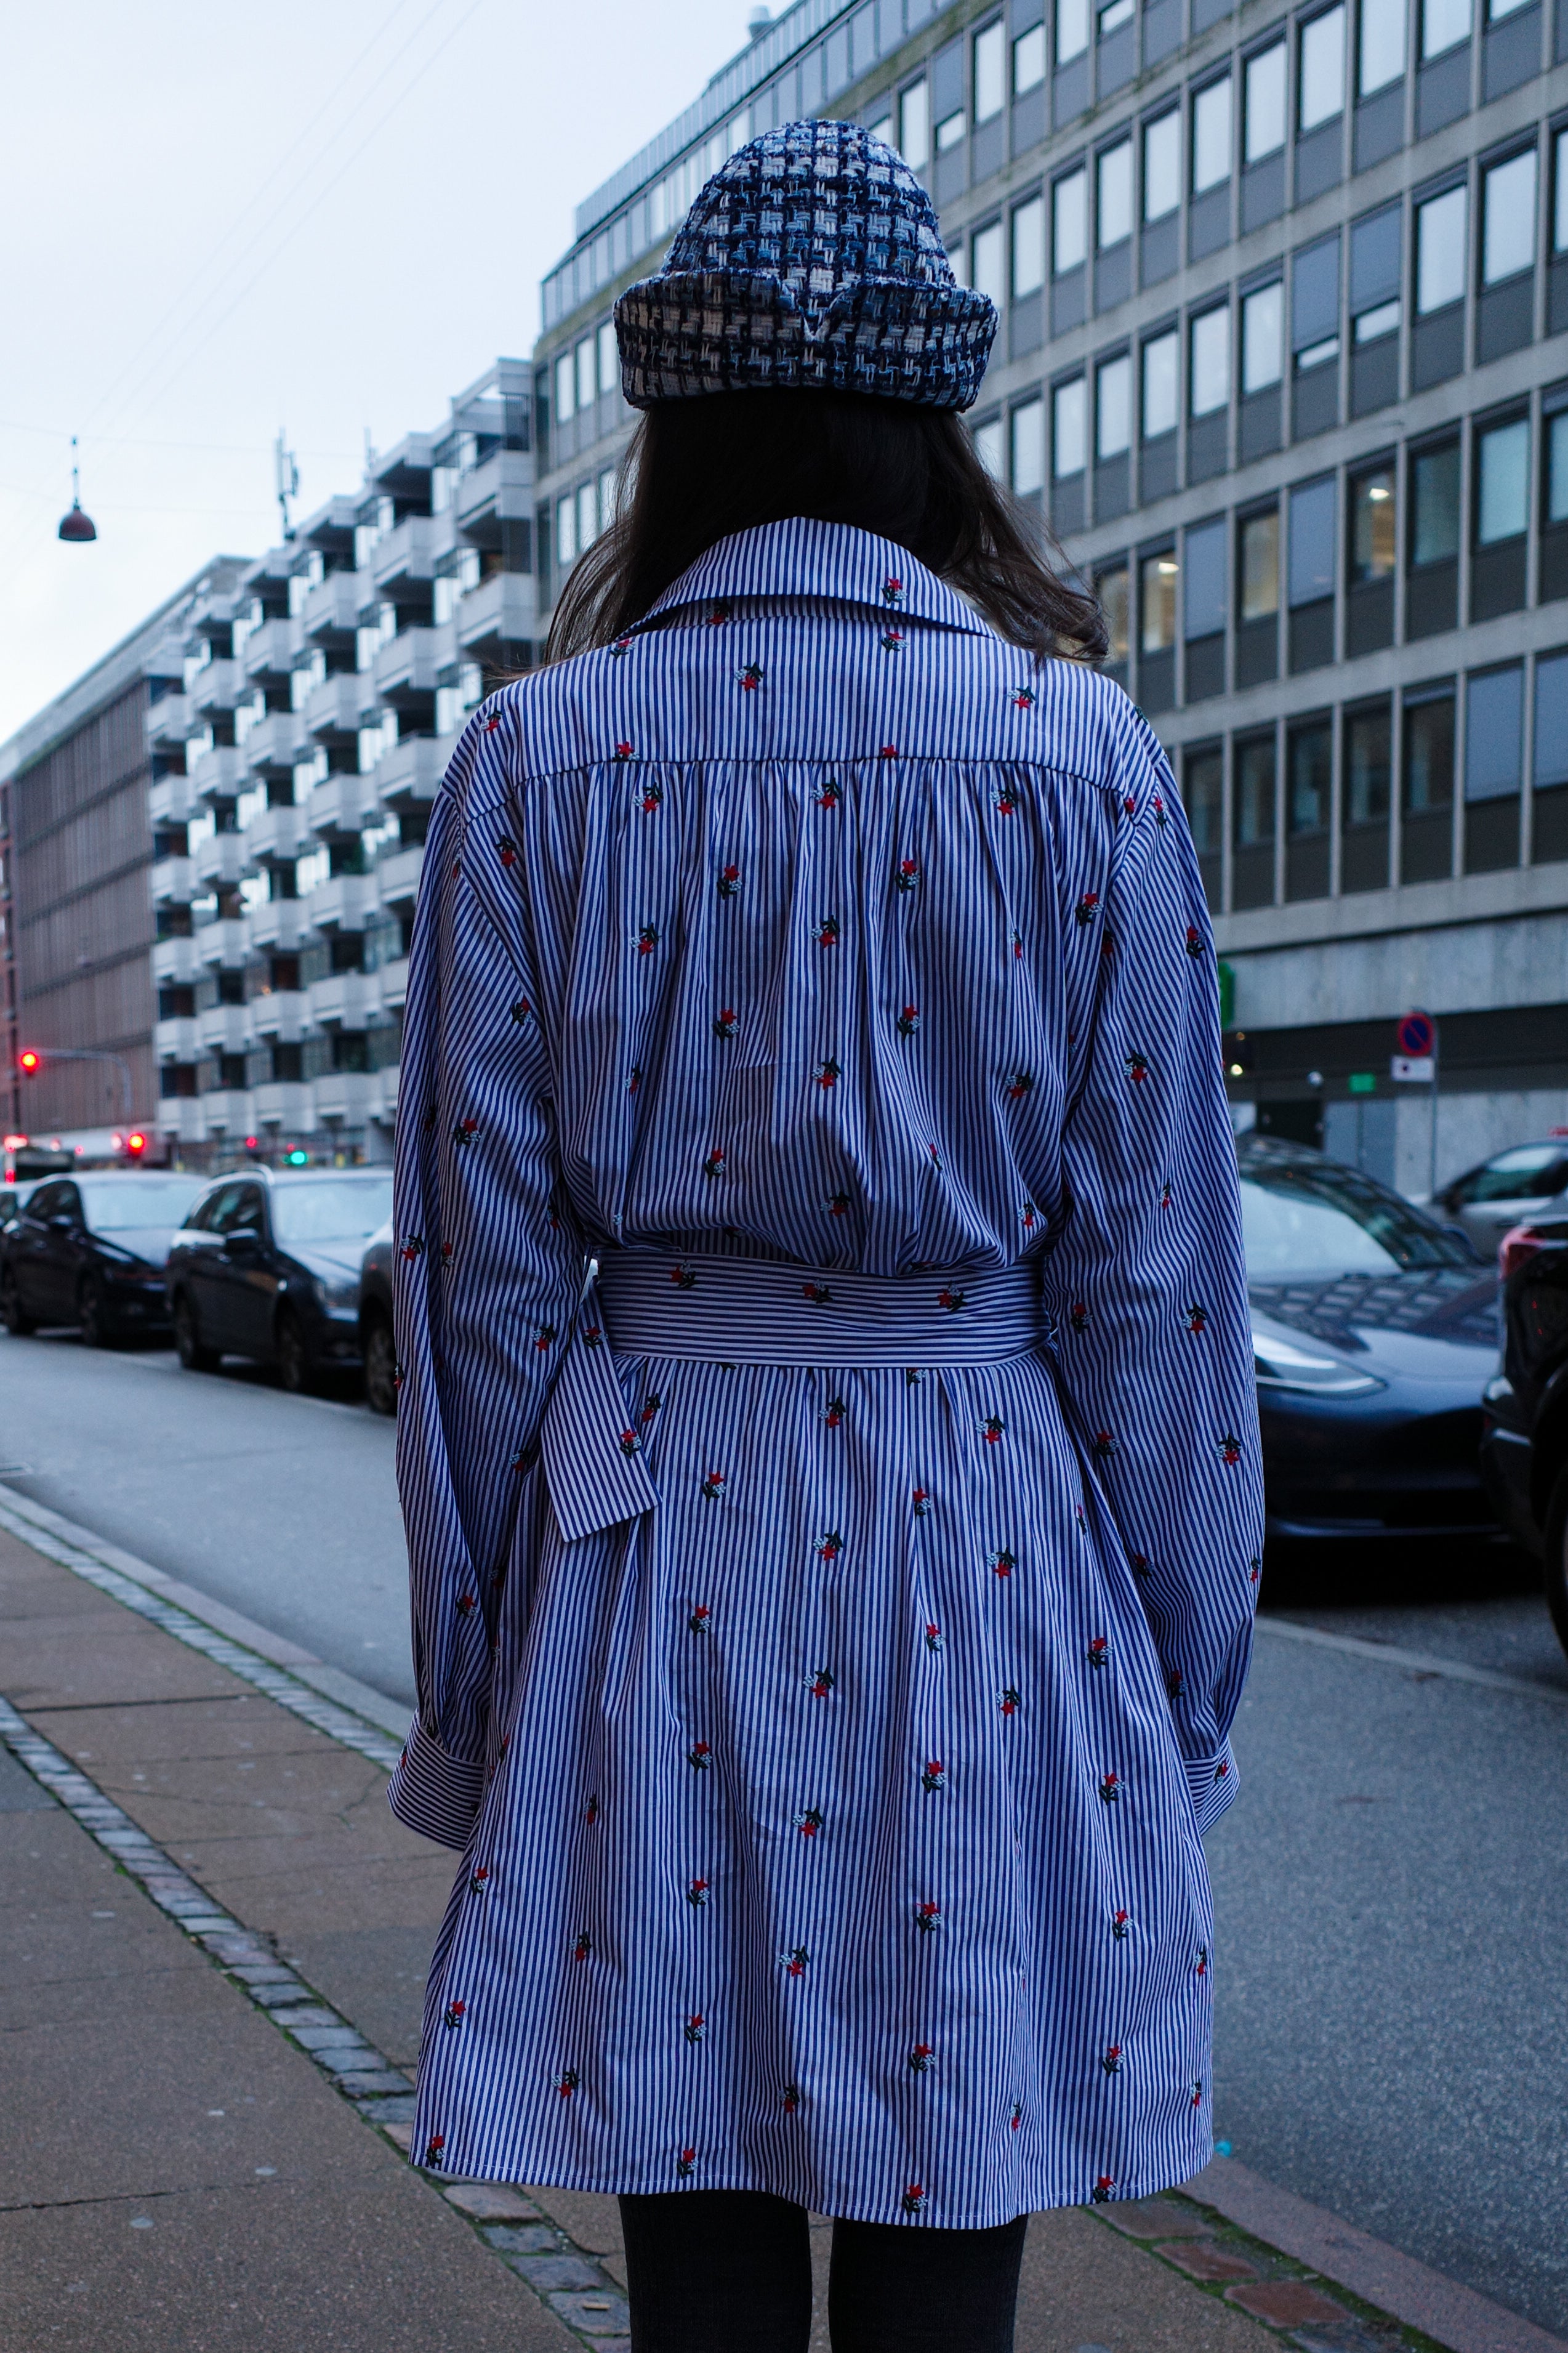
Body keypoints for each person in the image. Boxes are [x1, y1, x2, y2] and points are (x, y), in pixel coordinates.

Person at [389, 119, 1263, 2353]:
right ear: (931, 432)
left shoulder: (533, 759)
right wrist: (1176, 1694)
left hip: (654, 1536)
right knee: (950, 2156)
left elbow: (479, 1291)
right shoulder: (1079, 753)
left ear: (676, 431)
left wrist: (482, 1689)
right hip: (983, 1544)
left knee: (685, 2179)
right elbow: (1154, 1288)